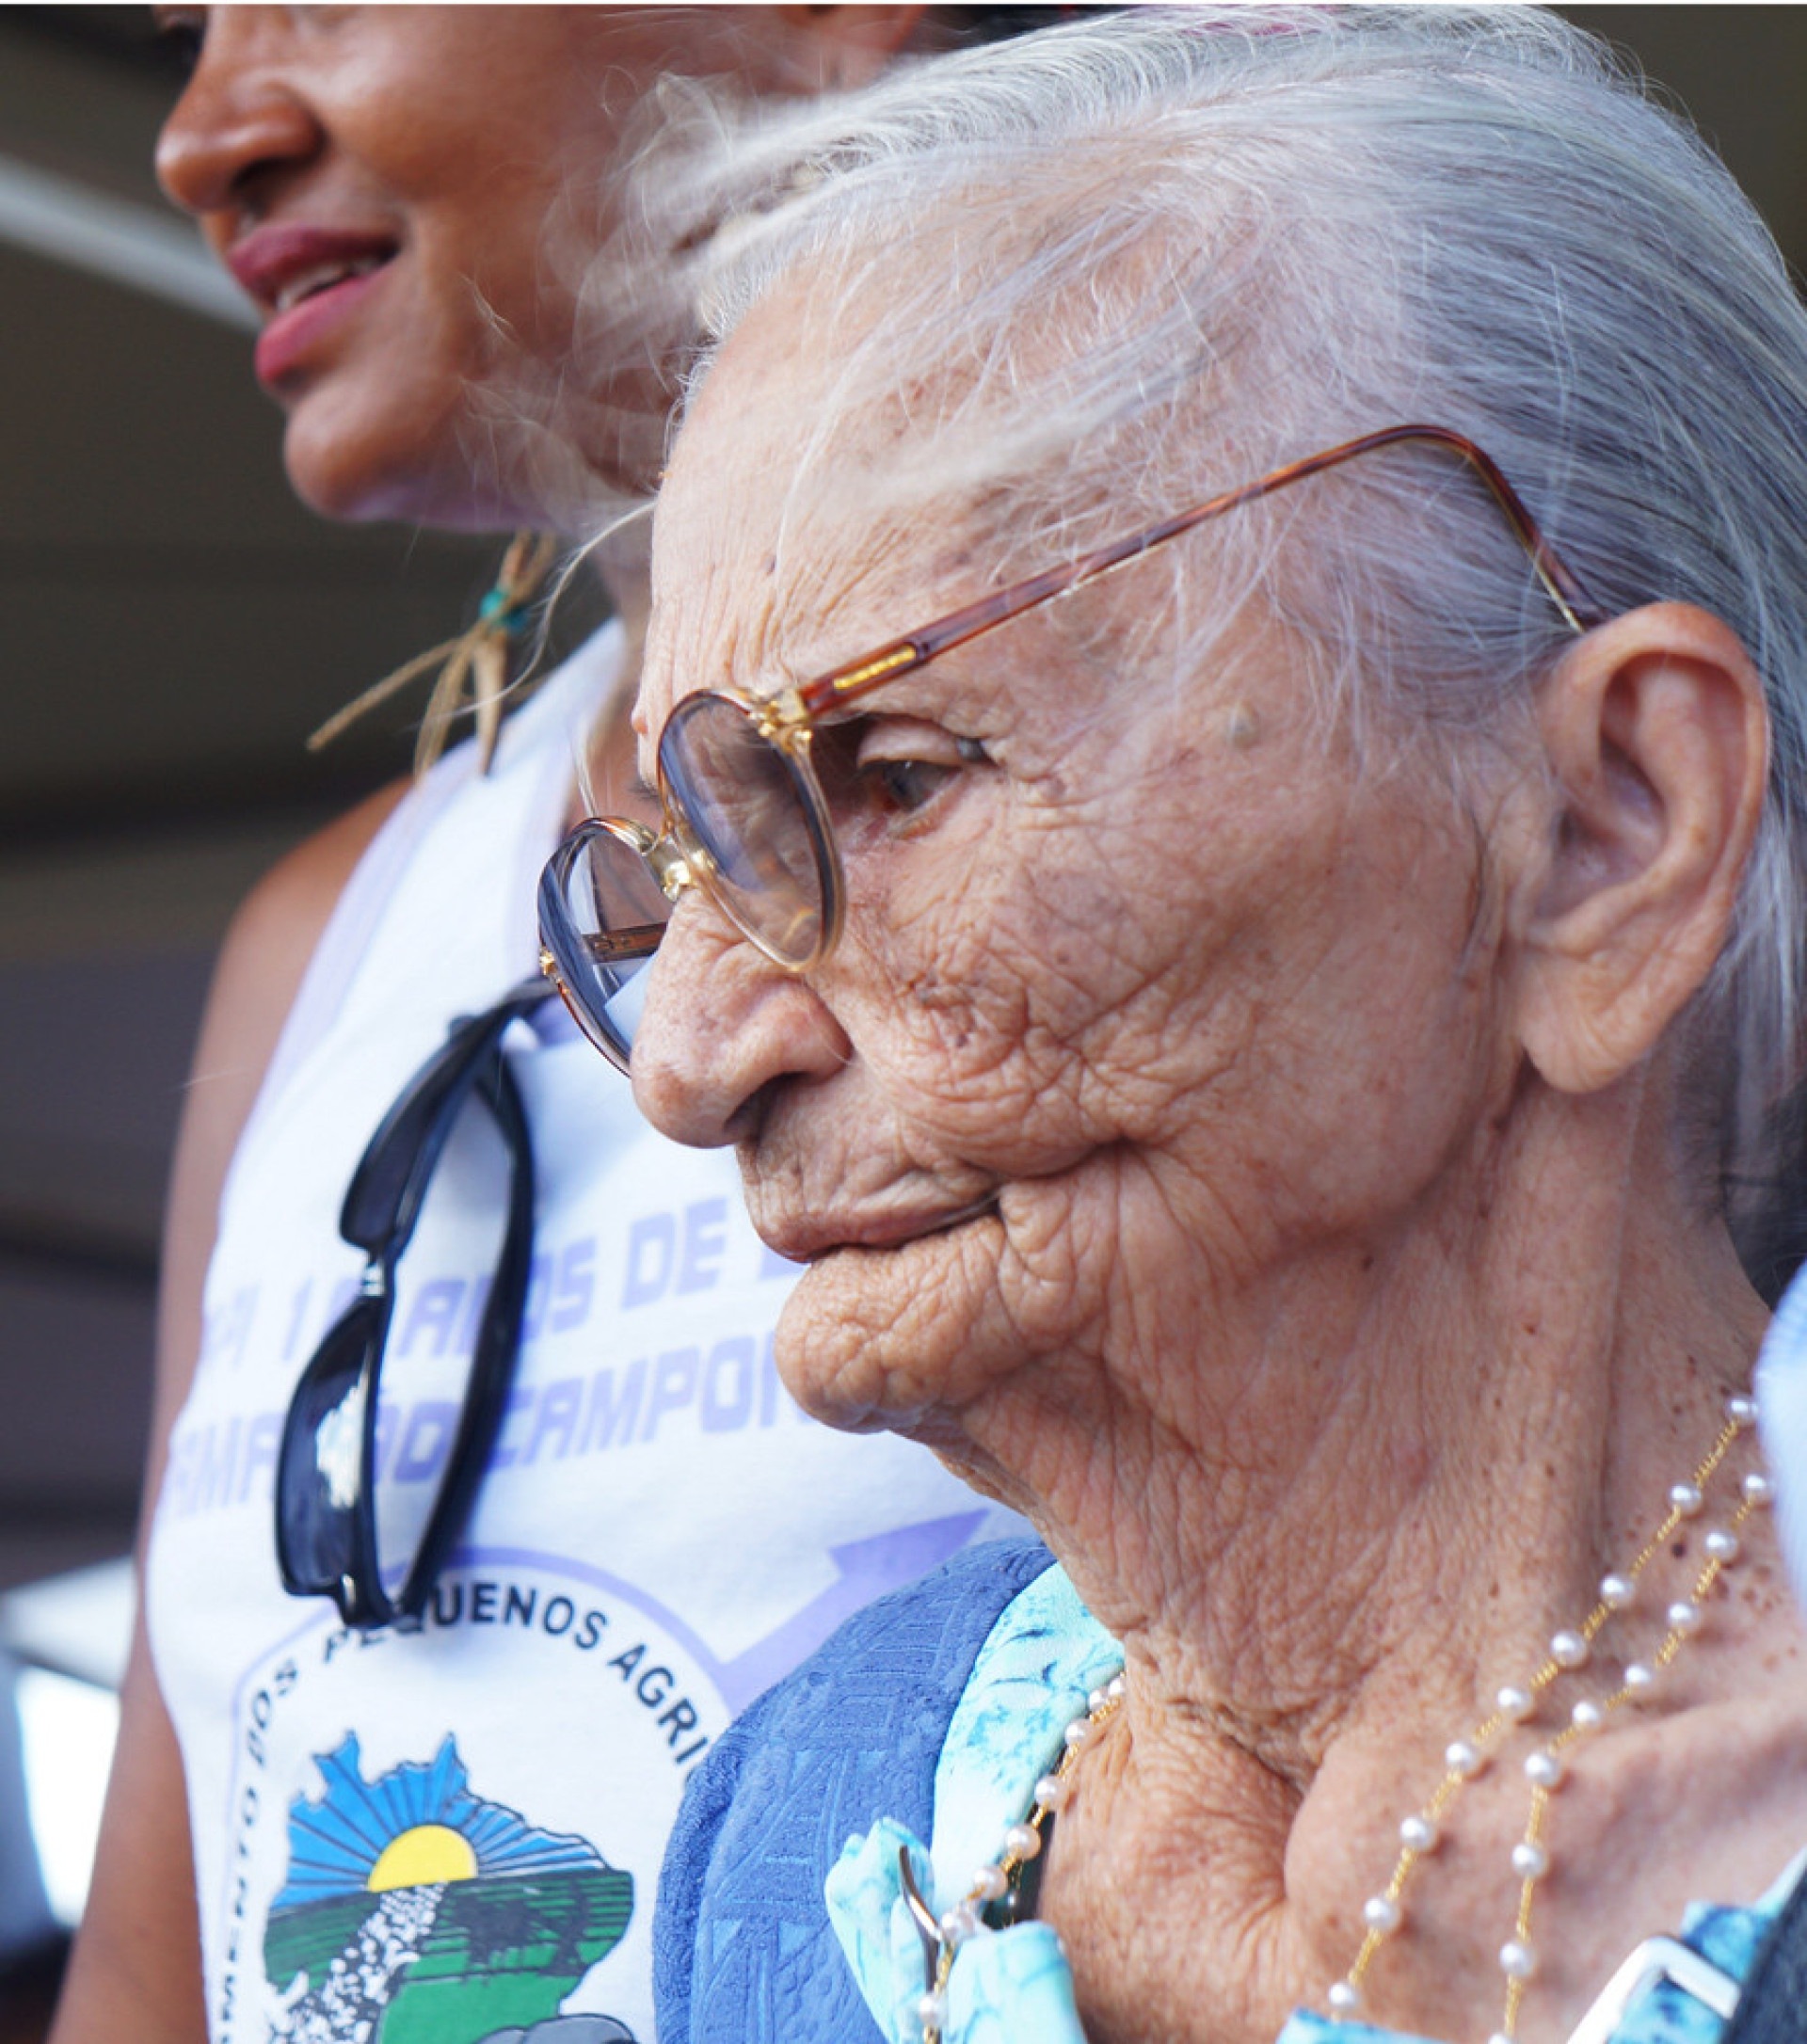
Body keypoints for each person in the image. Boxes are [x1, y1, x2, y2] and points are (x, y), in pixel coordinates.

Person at [538, 10, 1807, 2042]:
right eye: (679, 866)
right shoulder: (798, 1824)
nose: (689, 1063)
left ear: (1606, 834)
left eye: (891, 772)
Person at [51, 12, 1047, 2044]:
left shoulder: (1186, 785)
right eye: (187, 29)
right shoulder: (333, 939)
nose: (200, 136)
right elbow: (158, 1964)